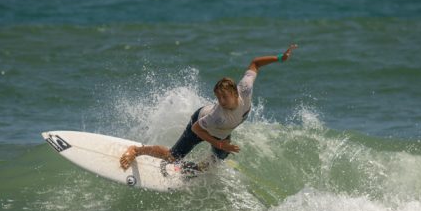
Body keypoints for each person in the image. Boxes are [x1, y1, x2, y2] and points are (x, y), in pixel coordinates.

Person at [119, 44, 298, 171]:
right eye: (218, 97)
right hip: (200, 124)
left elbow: (255, 63)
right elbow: (197, 128)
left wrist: (281, 57)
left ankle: (191, 170)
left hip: (221, 131)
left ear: (236, 93)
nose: (220, 100)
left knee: (219, 158)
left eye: (224, 97)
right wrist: (219, 143)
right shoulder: (217, 114)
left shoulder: (245, 88)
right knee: (173, 156)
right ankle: (137, 150)